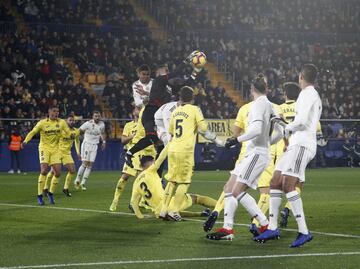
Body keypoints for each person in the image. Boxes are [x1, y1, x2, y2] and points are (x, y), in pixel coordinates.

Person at [206, 74, 283, 241]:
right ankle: (232, 228)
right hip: (254, 153)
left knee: (237, 191)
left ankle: (262, 225)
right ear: (267, 89)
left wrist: (237, 139)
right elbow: (281, 132)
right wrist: (269, 142)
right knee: (229, 188)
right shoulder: (272, 106)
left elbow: (255, 130)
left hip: (256, 154)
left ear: (252, 89)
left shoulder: (257, 105)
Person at [254, 64, 322, 248]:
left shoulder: (309, 94)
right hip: (294, 144)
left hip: (302, 145)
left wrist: (284, 125)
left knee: (288, 184)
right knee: (275, 181)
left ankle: (304, 231)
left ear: (301, 77)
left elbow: (299, 122)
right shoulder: (306, 95)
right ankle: (273, 227)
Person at [125, 51, 203, 168]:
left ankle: (158, 176)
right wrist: (186, 61)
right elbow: (176, 72)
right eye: (165, 70)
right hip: (150, 112)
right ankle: (129, 153)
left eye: (167, 70)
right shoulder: (159, 80)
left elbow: (186, 85)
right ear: (158, 72)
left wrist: (196, 72)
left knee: (161, 146)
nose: (167, 72)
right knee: (152, 137)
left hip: (160, 116)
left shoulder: (169, 86)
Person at [159, 86, 224, 221]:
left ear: (180, 98)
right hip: (185, 150)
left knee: (171, 180)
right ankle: (174, 211)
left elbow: (170, 131)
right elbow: (204, 128)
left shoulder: (176, 111)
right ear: (193, 98)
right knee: (184, 182)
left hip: (172, 149)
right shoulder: (195, 109)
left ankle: (163, 210)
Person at [130, 144, 217, 219]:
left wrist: (140, 217)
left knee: (173, 210)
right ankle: (222, 206)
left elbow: (134, 203)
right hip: (166, 204)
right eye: (153, 162)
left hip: (158, 212)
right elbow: (162, 156)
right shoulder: (151, 170)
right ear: (151, 163)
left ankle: (200, 214)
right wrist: (170, 143)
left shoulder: (136, 183)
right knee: (196, 198)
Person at [22, 106, 74, 205]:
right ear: (49, 112)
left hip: (56, 149)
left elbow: (68, 132)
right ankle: (40, 196)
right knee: (44, 170)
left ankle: (50, 193)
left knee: (58, 173)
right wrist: (25, 141)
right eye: (54, 111)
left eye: (58, 111)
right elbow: (33, 132)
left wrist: (71, 135)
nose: (56, 113)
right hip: (44, 148)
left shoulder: (62, 122)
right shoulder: (42, 123)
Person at [109, 107, 156, 211]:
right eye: (137, 109)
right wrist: (132, 136)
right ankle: (115, 200)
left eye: (140, 109)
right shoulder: (128, 125)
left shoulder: (147, 123)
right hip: (134, 151)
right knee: (125, 177)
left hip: (145, 152)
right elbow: (123, 140)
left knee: (142, 178)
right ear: (133, 112)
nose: (139, 110)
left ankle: (138, 202)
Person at [44, 114, 80, 197]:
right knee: (53, 171)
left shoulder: (76, 131)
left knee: (72, 170)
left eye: (73, 120)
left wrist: (78, 152)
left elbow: (77, 141)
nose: (72, 122)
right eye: (70, 120)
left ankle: (65, 188)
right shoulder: (60, 130)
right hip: (58, 152)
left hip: (67, 153)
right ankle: (45, 188)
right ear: (66, 121)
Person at [74, 111, 106, 190]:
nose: (97, 118)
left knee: (90, 164)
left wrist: (104, 141)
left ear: (100, 116)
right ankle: (77, 180)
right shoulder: (87, 123)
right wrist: (76, 138)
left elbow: (102, 133)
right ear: (93, 116)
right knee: (85, 163)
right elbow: (79, 130)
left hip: (95, 145)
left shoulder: (102, 124)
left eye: (98, 116)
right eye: (95, 116)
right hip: (87, 144)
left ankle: (83, 183)